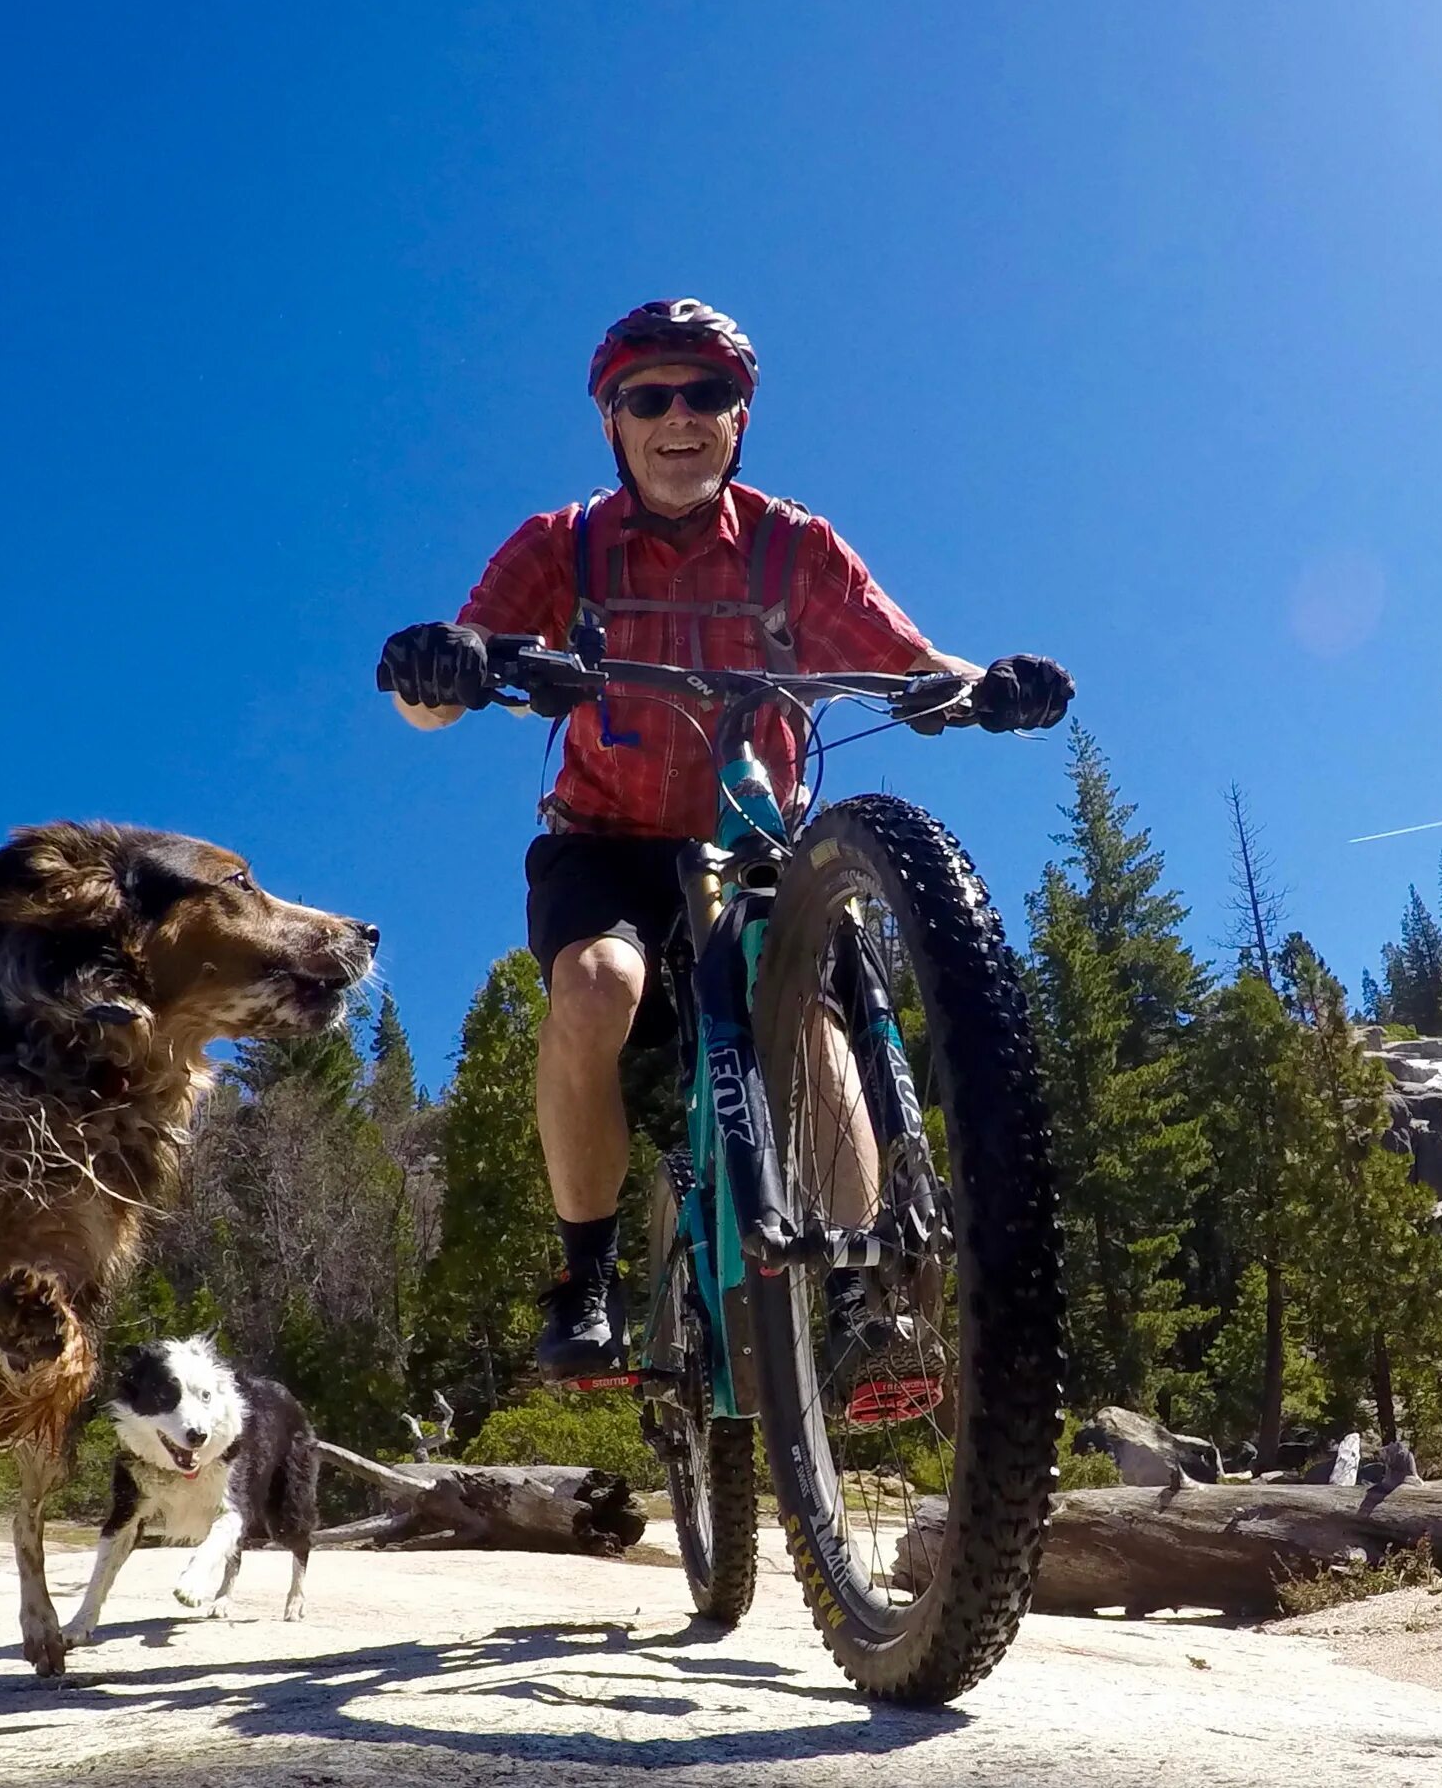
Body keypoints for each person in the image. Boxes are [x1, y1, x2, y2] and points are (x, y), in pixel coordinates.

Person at [378, 299, 1071, 1385]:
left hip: (755, 841)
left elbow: (911, 662)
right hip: (605, 843)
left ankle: (860, 1300)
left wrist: (994, 688)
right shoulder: (564, 544)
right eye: (648, 398)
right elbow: (450, 681)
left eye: (707, 395)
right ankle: (586, 1275)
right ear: (614, 423)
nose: (679, 417)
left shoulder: (795, 549)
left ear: (740, 418)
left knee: (813, 1025)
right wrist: (442, 667)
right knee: (597, 986)